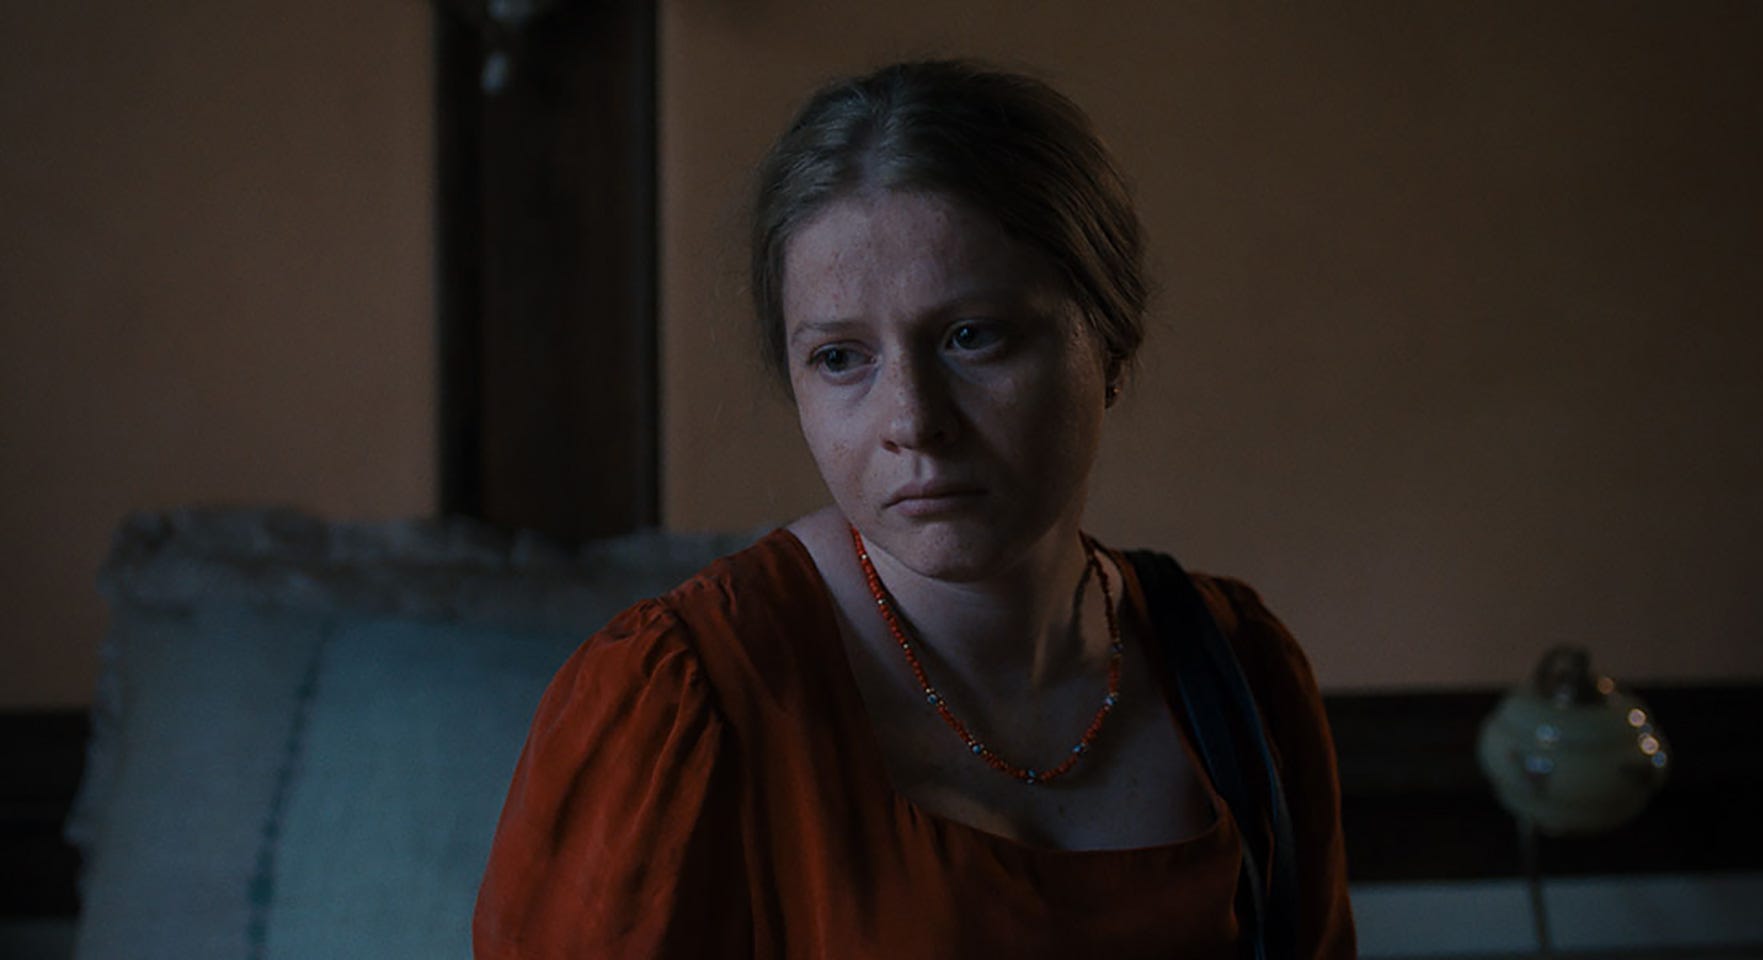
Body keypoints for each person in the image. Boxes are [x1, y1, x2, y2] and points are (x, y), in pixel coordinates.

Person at [473, 60, 1355, 959]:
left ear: (1111, 347)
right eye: (841, 358)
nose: (913, 421)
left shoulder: (1240, 673)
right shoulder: (683, 704)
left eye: (973, 337)